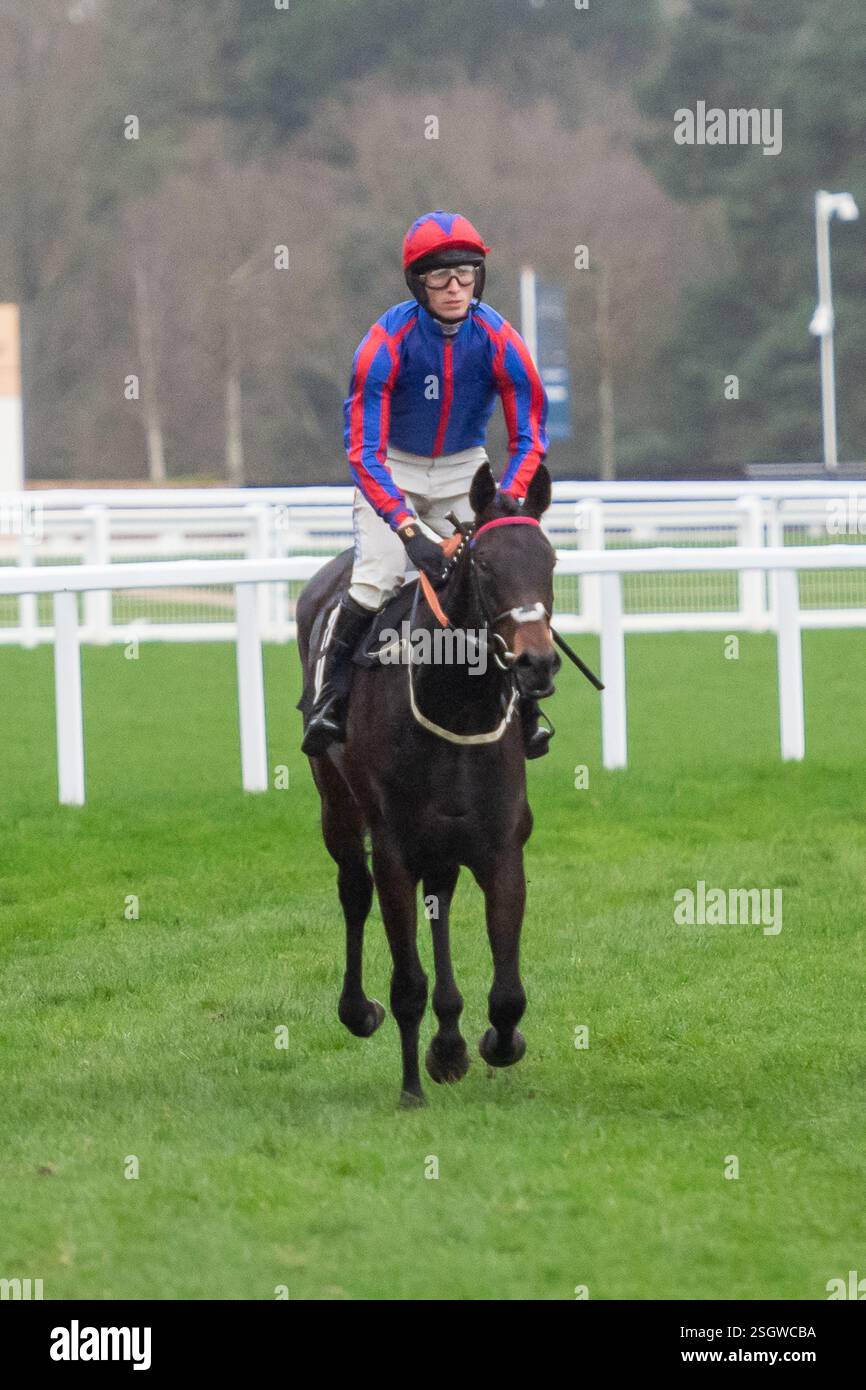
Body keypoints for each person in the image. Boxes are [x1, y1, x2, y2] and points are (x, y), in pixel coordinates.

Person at [301, 208, 552, 759]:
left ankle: (528, 708)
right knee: (376, 577)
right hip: (394, 468)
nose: (455, 287)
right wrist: (408, 529)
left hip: (465, 469)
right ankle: (327, 699)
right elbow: (363, 452)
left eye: (466, 273)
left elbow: (530, 433)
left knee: (500, 577)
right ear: (418, 282)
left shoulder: (499, 338)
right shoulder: (384, 342)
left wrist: (509, 497)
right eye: (440, 276)